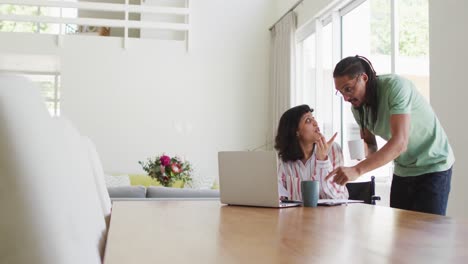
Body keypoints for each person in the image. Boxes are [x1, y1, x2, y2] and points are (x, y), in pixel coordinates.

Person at [327, 55, 455, 215]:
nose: (346, 98)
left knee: (428, 234)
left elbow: (400, 142)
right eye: (341, 92)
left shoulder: (395, 87)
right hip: (404, 169)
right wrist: (363, 152)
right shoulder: (358, 108)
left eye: (348, 88)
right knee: (401, 233)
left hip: (434, 164)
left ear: (364, 78)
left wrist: (357, 170)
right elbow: (372, 147)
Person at [275, 104, 348, 201]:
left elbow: (335, 196)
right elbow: (278, 197)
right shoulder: (285, 161)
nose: (315, 123)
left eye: (313, 118)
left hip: (332, 214)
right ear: (296, 131)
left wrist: (323, 161)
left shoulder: (333, 149)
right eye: (308, 120)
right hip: (297, 215)